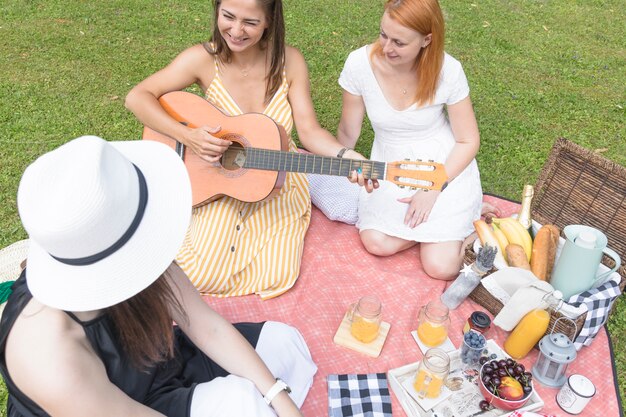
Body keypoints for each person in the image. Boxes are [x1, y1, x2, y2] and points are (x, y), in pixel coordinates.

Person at [0, 136, 317, 417]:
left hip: (158, 362)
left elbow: (205, 326)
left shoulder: (122, 234)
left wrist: (279, 398)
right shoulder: (47, 352)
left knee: (283, 345)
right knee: (243, 404)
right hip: (122, 405)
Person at [125, 0, 371, 299]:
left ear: (269, 21)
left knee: (277, 276)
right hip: (220, 178)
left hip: (278, 184)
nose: (236, 30)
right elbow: (137, 97)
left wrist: (346, 156)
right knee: (198, 275)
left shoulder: (289, 61)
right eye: (228, 17)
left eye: (250, 23)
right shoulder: (202, 59)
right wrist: (188, 136)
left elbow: (309, 132)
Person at [335, 0, 483, 280]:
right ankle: (442, 231)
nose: (386, 48)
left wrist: (433, 189)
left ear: (426, 40)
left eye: (399, 43)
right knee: (376, 242)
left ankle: (461, 221)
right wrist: (340, 161)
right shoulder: (359, 64)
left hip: (443, 166)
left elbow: (468, 141)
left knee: (441, 267)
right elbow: (347, 132)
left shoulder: (448, 70)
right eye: (383, 35)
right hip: (391, 166)